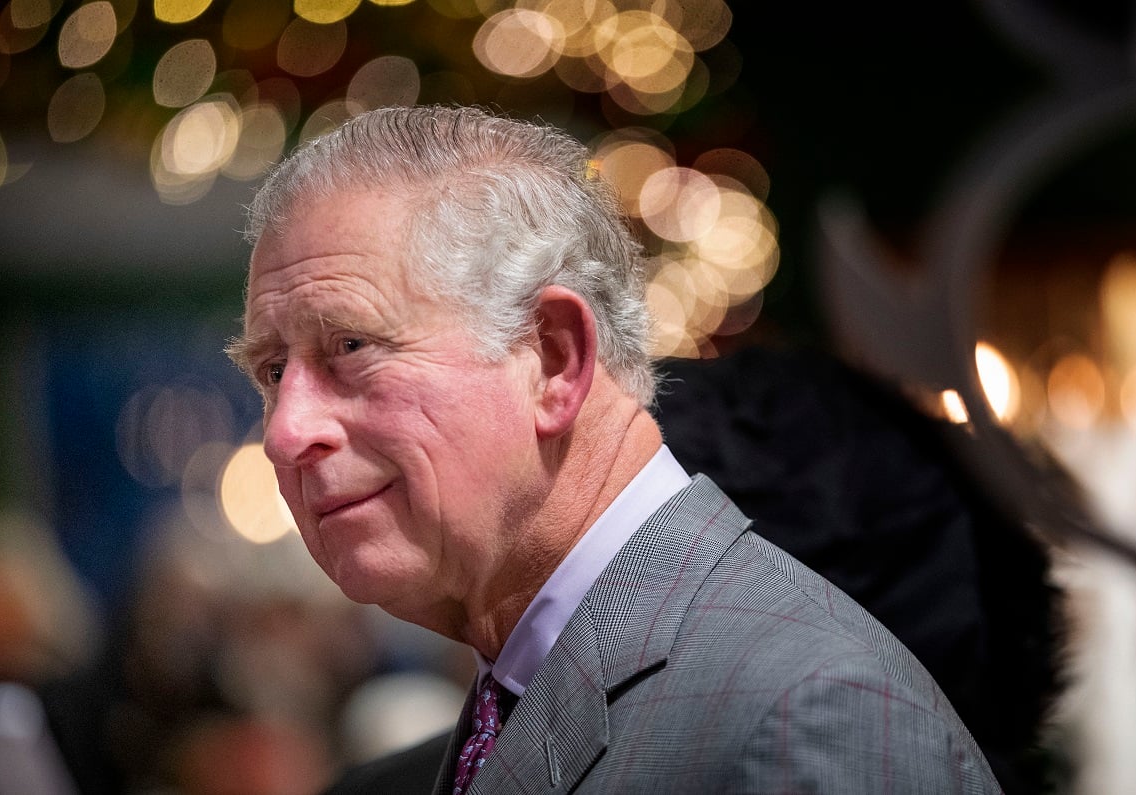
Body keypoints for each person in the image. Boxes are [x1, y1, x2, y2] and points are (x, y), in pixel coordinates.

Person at [226, 104, 1000, 793]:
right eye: (272, 370)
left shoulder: (809, 714)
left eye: (352, 345)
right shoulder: (531, 681)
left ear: (555, 359)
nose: (286, 432)